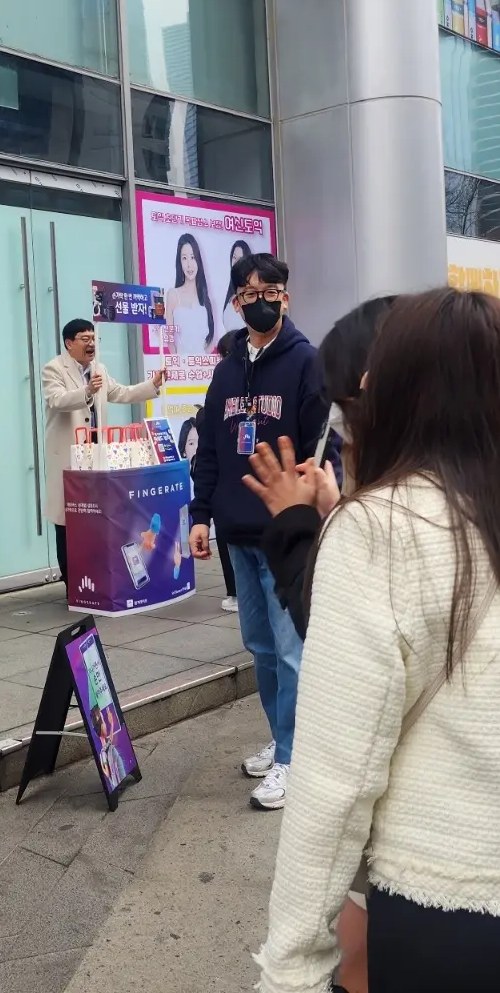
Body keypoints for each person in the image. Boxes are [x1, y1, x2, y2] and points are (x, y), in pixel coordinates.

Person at [254, 289, 500, 993]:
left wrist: (291, 969)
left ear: (392, 390)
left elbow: (336, 779)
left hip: (459, 912)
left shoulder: (378, 528)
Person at [241, 294, 397, 993]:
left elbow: (341, 776)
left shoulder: (399, 520)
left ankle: (283, 750)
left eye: (345, 405)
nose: (339, 427)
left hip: (442, 883)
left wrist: (291, 966)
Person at [189, 253, 338, 811]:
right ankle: (283, 739)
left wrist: (312, 509)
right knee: (261, 648)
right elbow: (209, 447)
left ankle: (296, 759)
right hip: (236, 532)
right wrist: (200, 515)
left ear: (286, 296)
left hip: (286, 534)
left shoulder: (307, 363)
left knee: (292, 647)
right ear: (235, 301)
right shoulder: (226, 367)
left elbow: (326, 450)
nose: (260, 298)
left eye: (270, 289)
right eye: (249, 291)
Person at [42, 320, 163, 575]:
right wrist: (86, 390)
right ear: (69, 343)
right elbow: (57, 401)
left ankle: (95, 577)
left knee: (94, 518)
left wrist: (152, 385)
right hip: (68, 459)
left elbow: (120, 393)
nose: (91, 343)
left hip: (96, 458)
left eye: (93, 338)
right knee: (68, 521)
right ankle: (72, 583)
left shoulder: (99, 368)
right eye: (84, 338)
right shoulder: (53, 369)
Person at [192, 331, 242, 613]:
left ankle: (235, 592)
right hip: (228, 499)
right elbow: (207, 452)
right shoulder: (223, 382)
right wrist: (201, 514)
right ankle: (235, 592)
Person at [166, 233, 216, 357]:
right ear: (180, 262)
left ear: (198, 260)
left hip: (202, 370)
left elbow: (211, 339)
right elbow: (170, 339)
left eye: (192, 257)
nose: (189, 264)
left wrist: (202, 361)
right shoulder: (173, 295)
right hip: (181, 368)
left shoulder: (205, 298)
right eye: (184, 258)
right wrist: (179, 365)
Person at [222, 239, 255, 334]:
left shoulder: (252, 293)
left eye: (240, 258)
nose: (236, 262)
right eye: (234, 257)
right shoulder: (231, 293)